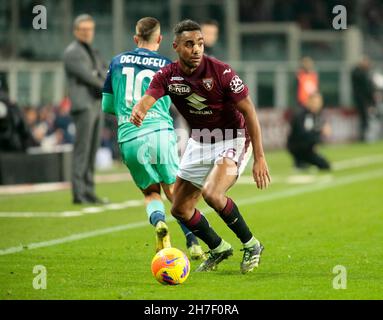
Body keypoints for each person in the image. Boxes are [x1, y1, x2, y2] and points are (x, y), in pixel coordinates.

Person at [130, 20, 271, 273]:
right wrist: (139, 110)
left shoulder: (221, 72)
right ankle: (218, 248)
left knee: (213, 194)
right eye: (189, 44)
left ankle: (252, 244)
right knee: (180, 208)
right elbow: (148, 98)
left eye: (200, 44)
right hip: (200, 141)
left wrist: (260, 157)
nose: (196, 49)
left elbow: (249, 111)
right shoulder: (167, 75)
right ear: (175, 47)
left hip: (233, 137)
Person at [101, 17, 204, 259]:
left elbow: (107, 105)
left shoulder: (117, 62)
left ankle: (158, 222)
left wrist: (129, 112)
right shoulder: (168, 66)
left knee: (150, 192)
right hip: (160, 133)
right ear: (159, 39)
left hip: (129, 136)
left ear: (136, 39)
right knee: (175, 192)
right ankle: (193, 241)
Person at [63, 14, 108, 204]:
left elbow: (104, 70)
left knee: (92, 150)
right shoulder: (73, 52)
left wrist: (100, 75)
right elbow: (88, 77)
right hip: (83, 105)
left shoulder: (92, 51)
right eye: (83, 30)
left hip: (95, 104)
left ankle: (88, 190)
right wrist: (105, 82)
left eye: (90, 29)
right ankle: (79, 192)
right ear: (76, 31)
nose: (87, 33)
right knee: (82, 150)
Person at [287, 92, 331, 171]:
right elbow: (303, 133)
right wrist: (320, 130)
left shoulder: (316, 115)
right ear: (309, 102)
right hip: (299, 147)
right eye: (314, 102)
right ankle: (300, 161)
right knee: (324, 165)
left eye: (318, 103)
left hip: (307, 148)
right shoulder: (303, 114)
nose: (316, 105)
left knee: (325, 165)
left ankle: (301, 162)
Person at [351, 56, 376, 142]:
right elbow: (366, 87)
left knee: (367, 119)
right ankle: (363, 136)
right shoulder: (358, 72)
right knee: (363, 119)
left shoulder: (366, 73)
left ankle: (366, 135)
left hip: (367, 101)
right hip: (361, 100)